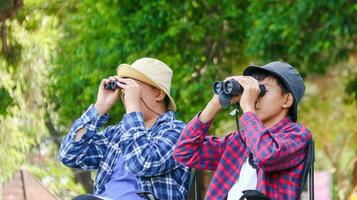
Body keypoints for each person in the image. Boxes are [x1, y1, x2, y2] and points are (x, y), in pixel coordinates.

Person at [173, 61, 313, 200]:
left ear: (287, 100)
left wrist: (248, 107)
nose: (255, 97)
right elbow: (184, 152)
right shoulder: (238, 140)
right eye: (253, 90)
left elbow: (266, 155)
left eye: (262, 90)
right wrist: (215, 103)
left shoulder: (297, 135)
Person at [59, 57, 190, 200]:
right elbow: (69, 155)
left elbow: (142, 163)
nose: (126, 93)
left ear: (158, 94)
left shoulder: (177, 132)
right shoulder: (117, 133)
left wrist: (133, 109)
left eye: (134, 87)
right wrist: (99, 108)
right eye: (125, 87)